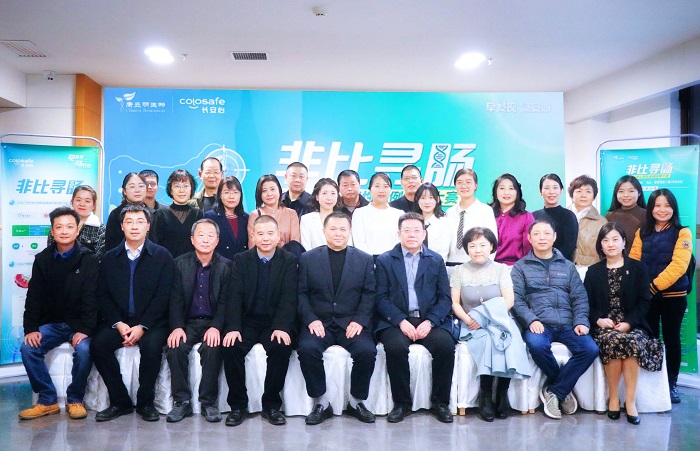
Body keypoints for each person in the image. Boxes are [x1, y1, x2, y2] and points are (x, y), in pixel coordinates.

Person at [90, 204, 174, 422]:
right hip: (120, 322)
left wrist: (143, 326)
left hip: (152, 323)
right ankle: (120, 402)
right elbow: (102, 295)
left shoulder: (162, 256)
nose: (134, 226)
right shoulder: (110, 258)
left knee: (152, 347)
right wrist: (118, 323)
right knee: (98, 345)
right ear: (122, 227)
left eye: (139, 222)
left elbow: (164, 296)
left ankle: (146, 403)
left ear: (148, 226)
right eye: (129, 222)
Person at [511, 219, 599, 420]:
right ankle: (562, 389)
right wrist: (531, 320)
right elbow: (517, 300)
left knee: (590, 349)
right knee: (537, 345)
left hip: (568, 324)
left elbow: (579, 297)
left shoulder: (567, 266)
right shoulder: (520, 267)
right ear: (529, 238)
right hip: (539, 324)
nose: (542, 238)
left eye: (546, 234)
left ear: (554, 237)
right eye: (537, 234)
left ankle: (554, 390)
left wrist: (581, 321)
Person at [18, 207, 99, 421]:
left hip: (79, 324)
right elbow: (34, 297)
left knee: (84, 350)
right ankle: (47, 400)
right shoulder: (42, 259)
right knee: (28, 348)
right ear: (52, 231)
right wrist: (31, 329)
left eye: (69, 227)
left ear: (77, 230)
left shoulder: (89, 258)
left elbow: (92, 297)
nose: (64, 231)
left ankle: (75, 399)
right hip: (52, 323)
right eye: (59, 227)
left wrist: (86, 329)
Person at [297, 212, 377, 425]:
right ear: (324, 232)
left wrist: (359, 320)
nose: (338, 233)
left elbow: (369, 294)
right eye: (333, 229)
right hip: (319, 322)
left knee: (367, 351)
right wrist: (311, 319)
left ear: (350, 232)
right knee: (307, 349)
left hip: (350, 322)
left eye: (343, 229)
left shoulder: (364, 259)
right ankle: (322, 403)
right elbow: (300, 293)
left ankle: (356, 402)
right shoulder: (308, 258)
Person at [375, 212, 455, 424]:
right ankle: (402, 403)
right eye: (407, 230)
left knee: (445, 346)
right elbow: (380, 298)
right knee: (395, 347)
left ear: (424, 234)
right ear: (398, 233)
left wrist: (430, 321)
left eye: (417, 230)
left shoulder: (435, 260)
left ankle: (440, 403)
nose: (412, 235)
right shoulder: (385, 260)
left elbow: (445, 298)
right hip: (396, 320)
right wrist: (400, 320)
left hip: (428, 319)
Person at [584, 223, 663, 425]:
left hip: (633, 323)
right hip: (605, 325)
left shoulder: (638, 268)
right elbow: (587, 304)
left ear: (624, 243)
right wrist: (599, 320)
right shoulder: (593, 272)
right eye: (605, 240)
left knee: (631, 341)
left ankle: (630, 401)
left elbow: (644, 302)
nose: (610, 244)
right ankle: (613, 398)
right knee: (613, 341)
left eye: (615, 239)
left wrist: (629, 323)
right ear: (600, 245)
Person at [222, 216, 298, 427]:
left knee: (281, 347)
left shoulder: (289, 260)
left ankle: (271, 405)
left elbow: (289, 298)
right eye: (260, 234)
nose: (265, 238)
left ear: (279, 236)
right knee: (230, 346)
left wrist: (282, 327)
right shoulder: (241, 259)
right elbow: (234, 296)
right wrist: (233, 327)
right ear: (253, 236)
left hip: (274, 322)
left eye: (270, 233)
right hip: (248, 321)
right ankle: (238, 406)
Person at [450, 227, 530, 422]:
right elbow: (455, 303)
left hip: (500, 319)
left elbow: (509, 300)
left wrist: (487, 317)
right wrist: (468, 320)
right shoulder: (459, 271)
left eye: (483, 245)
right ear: (467, 249)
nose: (478, 250)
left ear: (492, 247)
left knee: (507, 338)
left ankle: (502, 393)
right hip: (471, 323)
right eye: (472, 246)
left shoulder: (501, 269)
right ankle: (485, 395)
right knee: (487, 340)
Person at [629, 188, 693, 404]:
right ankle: (652, 384)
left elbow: (679, 265)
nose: (662, 210)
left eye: (667, 205)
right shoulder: (642, 232)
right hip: (647, 297)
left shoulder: (682, 233)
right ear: (651, 208)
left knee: (672, 339)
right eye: (657, 205)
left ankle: (671, 383)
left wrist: (653, 287)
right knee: (649, 338)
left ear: (673, 208)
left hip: (673, 296)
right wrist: (642, 288)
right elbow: (634, 262)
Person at [165, 219, 232, 423]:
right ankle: (181, 402)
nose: (205, 239)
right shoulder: (179, 264)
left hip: (212, 322)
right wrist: (177, 327)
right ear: (192, 239)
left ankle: (208, 403)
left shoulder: (227, 266)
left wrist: (216, 327)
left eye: (210, 235)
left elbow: (226, 302)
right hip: (188, 323)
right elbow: (175, 299)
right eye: (200, 235)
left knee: (213, 347)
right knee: (175, 347)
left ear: (217, 240)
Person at [445, 168, 498, 264]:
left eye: (468, 182)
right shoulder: (449, 212)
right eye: (459, 183)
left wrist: (486, 266)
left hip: (477, 264)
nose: (463, 186)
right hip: (450, 264)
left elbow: (492, 242)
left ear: (475, 186)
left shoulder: (485, 211)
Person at [152, 169, 203, 258]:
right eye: (177, 186)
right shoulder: (160, 214)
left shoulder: (198, 214)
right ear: (171, 190)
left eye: (185, 186)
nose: (181, 190)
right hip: (167, 264)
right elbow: (154, 245)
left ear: (191, 189)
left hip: (192, 264)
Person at [351, 172, 404, 257]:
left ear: (391, 190)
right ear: (370, 190)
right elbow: (359, 243)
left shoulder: (399, 214)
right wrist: (369, 261)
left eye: (385, 186)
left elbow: (400, 242)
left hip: (392, 261)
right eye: (377, 186)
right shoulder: (360, 213)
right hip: (367, 261)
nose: (381, 190)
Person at [47, 184, 106, 260]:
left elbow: (99, 258)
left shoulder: (99, 229)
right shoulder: (59, 223)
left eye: (87, 201)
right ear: (72, 202)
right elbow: (50, 252)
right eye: (78, 200)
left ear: (94, 205)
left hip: (88, 267)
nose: (82, 204)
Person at [490, 173, 534, 266]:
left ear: (517, 192)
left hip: (515, 268)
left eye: (511, 188)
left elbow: (529, 249)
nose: (506, 193)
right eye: (502, 188)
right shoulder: (487, 213)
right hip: (487, 266)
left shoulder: (526, 217)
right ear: (495, 192)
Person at [532, 173, 578, 262]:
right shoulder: (533, 216)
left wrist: (550, 260)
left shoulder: (568, 216)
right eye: (547, 188)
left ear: (561, 190)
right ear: (540, 191)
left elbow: (569, 246)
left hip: (561, 264)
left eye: (555, 188)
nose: (551, 192)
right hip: (536, 264)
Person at [247, 174, 301, 247]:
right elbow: (252, 245)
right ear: (260, 194)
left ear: (279, 190)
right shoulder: (255, 215)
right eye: (264, 191)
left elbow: (295, 244)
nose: (269, 194)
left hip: (287, 254)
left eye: (272, 189)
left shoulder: (291, 214)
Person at [203, 176, 249, 260]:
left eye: (235, 192)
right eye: (227, 192)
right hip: (219, 265)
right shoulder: (211, 217)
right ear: (220, 195)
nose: (231, 196)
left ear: (240, 195)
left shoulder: (246, 218)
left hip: (242, 265)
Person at [568, 175, 607, 267]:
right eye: (579, 191)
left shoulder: (601, 222)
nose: (583, 195)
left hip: (591, 269)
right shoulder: (562, 217)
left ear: (594, 197)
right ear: (572, 195)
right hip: (564, 269)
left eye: (588, 191)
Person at [104, 172, 148, 252]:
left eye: (141, 186)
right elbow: (111, 245)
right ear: (124, 191)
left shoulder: (153, 213)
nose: (137, 190)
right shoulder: (116, 214)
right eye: (132, 187)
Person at [300, 178, 343, 250]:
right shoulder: (306, 220)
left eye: (333, 193)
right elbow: (306, 248)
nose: (329, 198)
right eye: (324, 193)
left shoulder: (343, 219)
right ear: (317, 197)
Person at [604, 175, 646, 243]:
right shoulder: (609, 216)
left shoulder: (646, 215)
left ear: (639, 193)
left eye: (631, 191)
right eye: (621, 191)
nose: (626, 195)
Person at [415, 182, 450, 260]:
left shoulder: (444, 223)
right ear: (417, 200)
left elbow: (443, 253)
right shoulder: (413, 222)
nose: (427, 202)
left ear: (437, 199)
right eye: (423, 198)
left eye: (431, 198)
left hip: (436, 265)